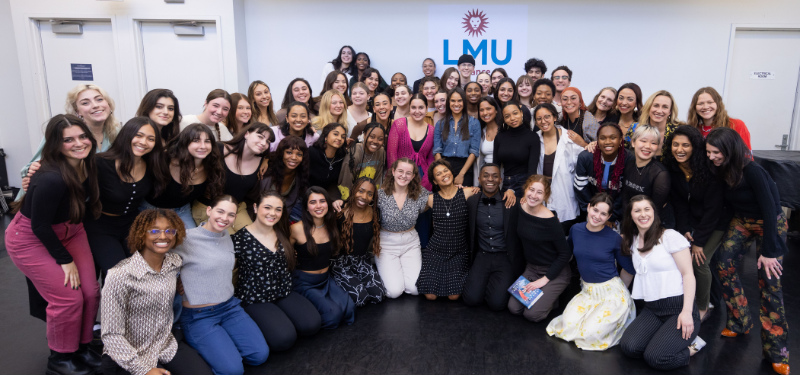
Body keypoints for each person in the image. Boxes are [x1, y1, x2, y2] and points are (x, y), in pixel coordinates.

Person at [6, 115, 102, 375]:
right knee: (68, 298)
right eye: (68, 140)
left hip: (73, 230)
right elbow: (39, 226)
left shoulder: (88, 164)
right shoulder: (51, 177)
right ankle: (60, 359)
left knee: (91, 292)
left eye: (82, 136)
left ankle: (81, 348)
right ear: (55, 144)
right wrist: (64, 260)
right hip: (31, 238)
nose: (79, 143)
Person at [706, 128, 789, 374]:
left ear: (730, 150)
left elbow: (771, 209)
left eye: (715, 152)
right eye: (708, 152)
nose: (711, 157)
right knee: (723, 263)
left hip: (769, 222)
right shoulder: (720, 169)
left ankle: (777, 353)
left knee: (769, 281)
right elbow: (724, 206)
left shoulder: (754, 171)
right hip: (742, 221)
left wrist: (771, 251)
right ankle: (740, 321)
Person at [101, 209, 212, 375]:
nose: (163, 236)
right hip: (128, 353)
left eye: (169, 230)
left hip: (164, 344)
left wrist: (182, 282)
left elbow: (195, 266)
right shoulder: (119, 276)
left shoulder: (174, 263)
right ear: (141, 234)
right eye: (154, 230)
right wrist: (144, 370)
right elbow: (111, 335)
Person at [175, 195, 269, 375]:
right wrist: (176, 277)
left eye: (231, 215)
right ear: (209, 211)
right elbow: (161, 260)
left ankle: (221, 348)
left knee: (259, 355)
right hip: (199, 316)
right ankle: (206, 349)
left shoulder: (226, 235)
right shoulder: (186, 239)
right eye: (220, 211)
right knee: (233, 371)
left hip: (230, 308)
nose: (225, 218)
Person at [619, 195, 703, 371]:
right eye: (637, 210)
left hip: (678, 309)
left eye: (647, 209)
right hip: (652, 310)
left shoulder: (669, 236)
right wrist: (616, 296)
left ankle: (693, 346)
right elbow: (630, 272)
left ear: (654, 212)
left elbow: (688, 275)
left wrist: (687, 312)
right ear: (631, 216)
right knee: (629, 347)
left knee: (656, 357)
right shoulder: (633, 241)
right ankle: (664, 338)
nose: (643, 214)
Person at [546, 193, 636, 351]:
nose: (597, 216)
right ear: (588, 207)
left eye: (603, 214)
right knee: (565, 326)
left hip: (611, 293)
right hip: (587, 291)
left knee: (589, 335)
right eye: (595, 210)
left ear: (608, 216)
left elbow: (630, 268)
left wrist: (623, 293)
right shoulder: (576, 230)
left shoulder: (614, 238)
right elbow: (566, 254)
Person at [234, 192, 322, 352]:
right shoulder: (239, 239)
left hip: (283, 291)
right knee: (284, 339)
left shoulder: (282, 232)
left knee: (312, 325)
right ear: (255, 207)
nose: (272, 213)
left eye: (278, 209)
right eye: (267, 207)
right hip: (256, 299)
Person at [85, 117, 168, 278]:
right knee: (121, 276)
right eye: (139, 135)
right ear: (127, 135)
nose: (144, 142)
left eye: (151, 139)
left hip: (131, 226)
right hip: (101, 227)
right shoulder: (100, 163)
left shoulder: (152, 165)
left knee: (144, 273)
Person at [664, 125, 725, 322]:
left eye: (685, 145)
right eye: (675, 145)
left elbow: (713, 210)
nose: (679, 149)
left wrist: (698, 240)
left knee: (699, 262)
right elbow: (680, 204)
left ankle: (702, 307)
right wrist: (684, 230)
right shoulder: (673, 169)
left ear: (695, 147)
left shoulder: (709, 169)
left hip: (716, 222)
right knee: (684, 258)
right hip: (693, 222)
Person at [19, 84, 120, 199]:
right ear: (78, 111)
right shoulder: (64, 131)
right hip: (53, 203)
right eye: (85, 103)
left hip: (89, 202)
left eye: (99, 99)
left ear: (108, 104)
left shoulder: (116, 132)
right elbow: (30, 168)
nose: (95, 105)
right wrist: (32, 171)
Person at [507, 175, 572, 322]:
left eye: (539, 192)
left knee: (532, 315)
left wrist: (544, 280)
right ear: (525, 189)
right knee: (514, 308)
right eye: (531, 190)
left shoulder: (550, 221)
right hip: (532, 268)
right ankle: (546, 295)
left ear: (545, 196)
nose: (533, 195)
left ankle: (552, 297)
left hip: (554, 272)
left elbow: (565, 254)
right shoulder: (520, 207)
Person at [289, 187, 356, 329]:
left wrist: (340, 202)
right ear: (306, 207)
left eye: (322, 201)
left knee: (349, 308)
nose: (318, 206)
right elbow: (285, 253)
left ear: (328, 204)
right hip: (305, 282)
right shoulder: (296, 229)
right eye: (313, 202)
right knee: (333, 316)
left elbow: (353, 204)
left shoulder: (332, 225)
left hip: (326, 279)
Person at [142, 124, 225, 230]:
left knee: (191, 243)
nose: (203, 146)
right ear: (185, 143)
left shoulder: (212, 166)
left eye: (207, 141)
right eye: (196, 140)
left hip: (182, 211)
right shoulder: (166, 159)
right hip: (151, 209)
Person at [193, 123, 273, 232]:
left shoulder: (261, 161)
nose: (263, 143)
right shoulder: (219, 149)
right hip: (209, 208)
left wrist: (266, 159)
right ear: (246, 134)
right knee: (229, 243)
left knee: (252, 240)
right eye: (260, 137)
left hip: (237, 208)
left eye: (268, 141)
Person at [462, 163, 521, 310]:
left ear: (501, 180)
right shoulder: (472, 201)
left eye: (495, 176)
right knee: (471, 299)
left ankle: (494, 285)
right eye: (486, 175)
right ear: (479, 179)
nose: (491, 179)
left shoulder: (512, 202)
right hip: (482, 255)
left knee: (497, 304)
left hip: (504, 257)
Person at [416, 159, 478, 301]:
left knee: (454, 297)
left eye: (446, 170)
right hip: (435, 251)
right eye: (438, 174)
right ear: (435, 181)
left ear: (451, 172)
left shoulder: (468, 192)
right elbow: (413, 208)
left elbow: (487, 193)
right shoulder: (430, 199)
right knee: (430, 296)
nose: (444, 174)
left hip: (458, 252)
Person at [375, 158, 431, 298]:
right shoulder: (379, 195)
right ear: (393, 171)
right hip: (386, 243)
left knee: (416, 289)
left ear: (413, 176)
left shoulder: (420, 193)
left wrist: (463, 189)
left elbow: (444, 197)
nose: (403, 176)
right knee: (394, 292)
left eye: (408, 173)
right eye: (400, 171)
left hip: (410, 242)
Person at [332, 177, 387, 306]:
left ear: (373, 197)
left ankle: (355, 281)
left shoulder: (375, 213)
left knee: (379, 295)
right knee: (361, 298)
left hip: (362, 260)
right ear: (353, 190)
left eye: (369, 194)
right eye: (360, 191)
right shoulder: (340, 210)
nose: (364, 196)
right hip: (341, 262)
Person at [533, 103, 585, 232]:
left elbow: (585, 158)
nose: (543, 121)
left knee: (563, 234)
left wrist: (583, 143)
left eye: (547, 117)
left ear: (555, 117)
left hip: (565, 194)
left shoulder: (569, 137)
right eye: (539, 119)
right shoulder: (535, 138)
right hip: (543, 194)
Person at [573, 123, 627, 226]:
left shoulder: (629, 159)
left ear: (620, 140)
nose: (607, 142)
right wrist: (594, 213)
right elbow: (580, 188)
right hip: (592, 212)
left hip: (618, 215)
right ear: (597, 140)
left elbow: (626, 194)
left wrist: (611, 217)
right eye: (602, 138)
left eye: (613, 138)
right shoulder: (585, 157)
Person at [621, 124, 671, 226]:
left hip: (654, 223)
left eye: (653, 143)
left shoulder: (660, 174)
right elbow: (625, 197)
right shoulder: (629, 164)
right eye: (643, 141)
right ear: (633, 142)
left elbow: (656, 209)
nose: (648, 146)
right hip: (630, 220)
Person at [433, 87, 481, 187]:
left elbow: (474, 151)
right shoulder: (440, 124)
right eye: (453, 101)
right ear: (448, 103)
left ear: (464, 102)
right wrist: (444, 172)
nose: (456, 104)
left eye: (459, 101)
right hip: (444, 167)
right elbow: (437, 151)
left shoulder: (474, 123)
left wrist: (461, 174)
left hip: (465, 168)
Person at [388, 94, 436, 191]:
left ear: (426, 108)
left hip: (422, 178)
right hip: (400, 176)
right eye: (413, 107)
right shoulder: (399, 124)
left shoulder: (432, 131)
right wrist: (397, 178)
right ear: (409, 108)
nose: (417, 111)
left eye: (421, 107)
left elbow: (431, 160)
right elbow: (391, 155)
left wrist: (426, 181)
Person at [259, 135, 310, 222]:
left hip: (280, 218)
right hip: (257, 214)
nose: (294, 158)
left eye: (299, 154)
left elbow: (289, 205)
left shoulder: (300, 175)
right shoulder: (266, 169)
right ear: (282, 153)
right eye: (289, 152)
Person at [495, 102, 541, 197]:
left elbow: (532, 170)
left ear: (521, 113)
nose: (512, 118)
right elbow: (495, 166)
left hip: (524, 183)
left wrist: (528, 191)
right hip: (505, 183)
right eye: (507, 116)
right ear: (504, 119)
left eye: (515, 113)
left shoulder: (532, 137)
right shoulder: (499, 137)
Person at [624, 90, 681, 159]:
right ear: (649, 107)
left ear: (670, 111)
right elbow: (624, 153)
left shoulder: (677, 132)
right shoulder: (635, 128)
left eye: (665, 107)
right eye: (656, 105)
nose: (659, 111)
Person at [339, 123, 386, 199]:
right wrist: (349, 202)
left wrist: (373, 199)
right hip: (351, 196)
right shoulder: (354, 153)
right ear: (364, 135)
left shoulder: (381, 152)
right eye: (372, 137)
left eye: (380, 139)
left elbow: (377, 179)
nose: (375, 141)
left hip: (368, 196)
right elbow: (346, 183)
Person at [308, 123, 347, 203]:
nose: (339, 138)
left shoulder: (342, 158)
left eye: (343, 137)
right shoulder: (312, 153)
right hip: (306, 196)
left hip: (326, 198)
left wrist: (334, 200)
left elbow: (334, 184)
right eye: (335, 134)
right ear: (325, 137)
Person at [473, 97, 501, 185]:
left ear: (496, 110)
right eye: (481, 110)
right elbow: (479, 162)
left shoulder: (505, 130)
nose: (485, 113)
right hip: (486, 176)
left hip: (503, 174)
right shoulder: (481, 132)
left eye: (489, 109)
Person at [616, 83, 643, 148]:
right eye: (621, 98)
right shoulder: (609, 119)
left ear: (636, 103)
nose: (624, 103)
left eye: (630, 99)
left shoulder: (642, 124)